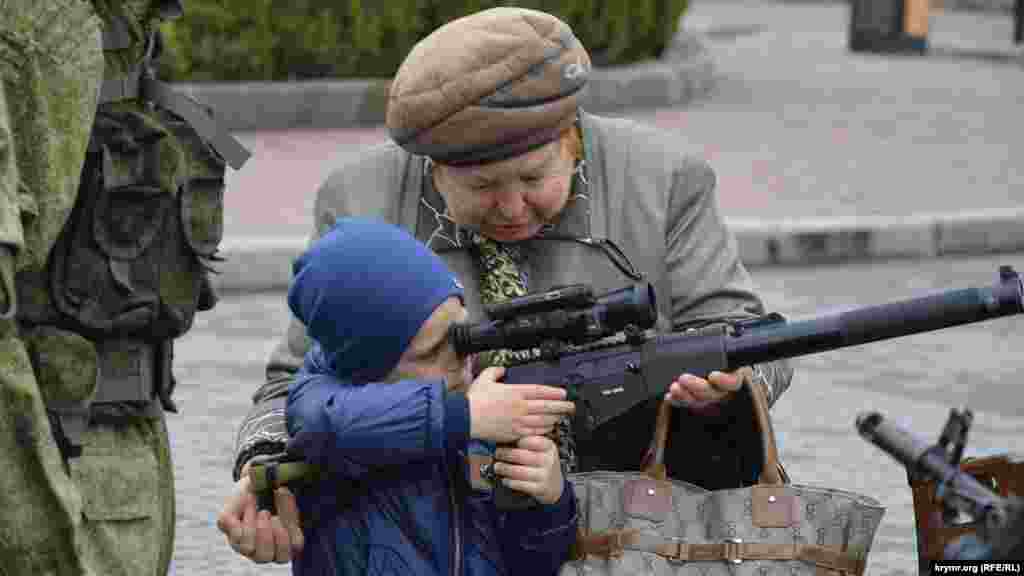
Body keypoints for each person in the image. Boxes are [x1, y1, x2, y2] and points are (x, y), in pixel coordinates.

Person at [218, 6, 794, 563]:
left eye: (534, 177)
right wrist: (267, 474)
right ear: (432, 168)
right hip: (443, 532)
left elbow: (755, 340)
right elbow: (296, 384)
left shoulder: (665, 177)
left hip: (645, 522)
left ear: (572, 137)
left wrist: (734, 382)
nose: (514, 207)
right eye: (484, 186)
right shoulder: (361, 205)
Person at [1, 1, 248, 574]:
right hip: (55, 481)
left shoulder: (121, 24)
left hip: (116, 461)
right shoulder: (37, 26)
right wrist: (44, 543)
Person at [282, 216, 578, 575]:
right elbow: (327, 427)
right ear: (367, 365)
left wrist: (546, 502)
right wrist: (464, 416)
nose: (462, 358)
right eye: (431, 351)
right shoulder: (321, 400)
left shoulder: (475, 421)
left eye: (463, 334)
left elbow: (529, 563)